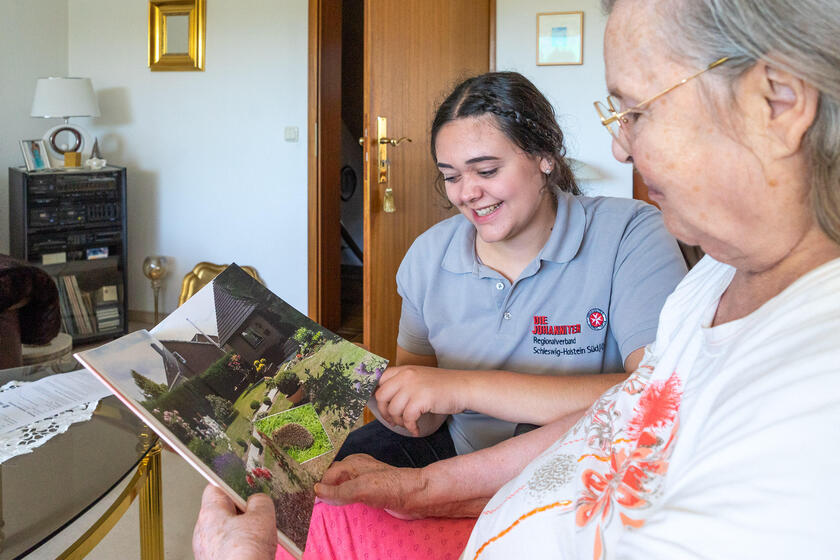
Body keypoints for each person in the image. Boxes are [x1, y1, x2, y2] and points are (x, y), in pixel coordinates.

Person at [193, 0, 840, 558]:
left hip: (514, 480)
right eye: (450, 176)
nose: (620, 149)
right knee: (298, 491)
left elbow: (622, 401)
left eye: (638, 112)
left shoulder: (642, 241)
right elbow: (628, 412)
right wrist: (416, 473)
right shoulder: (716, 282)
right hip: (475, 466)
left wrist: (454, 393)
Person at [335, 71, 686, 468]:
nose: (467, 193)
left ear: (545, 156)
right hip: (462, 454)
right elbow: (427, 419)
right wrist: (375, 388)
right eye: (451, 176)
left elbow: (659, 394)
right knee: (339, 474)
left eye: (486, 171)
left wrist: (462, 388)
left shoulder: (629, 232)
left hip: (582, 461)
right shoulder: (427, 256)